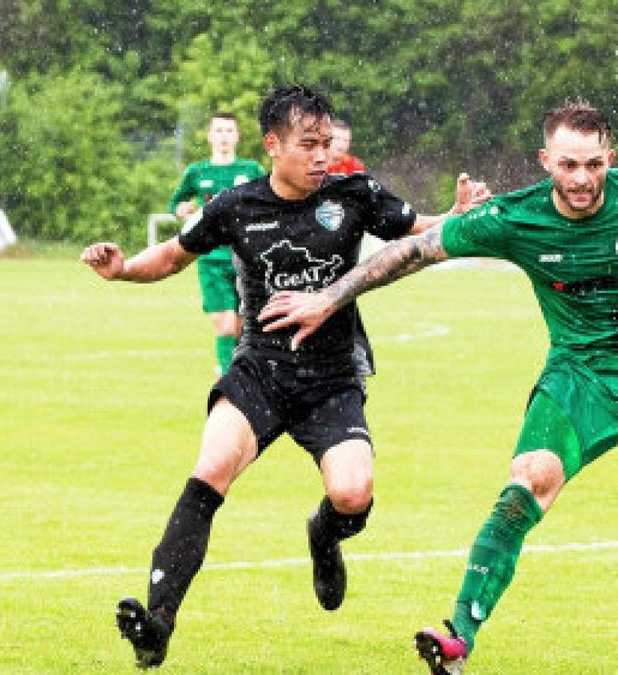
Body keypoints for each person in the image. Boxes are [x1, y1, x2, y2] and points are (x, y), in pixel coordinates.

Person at [80, 84, 488, 669]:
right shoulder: (234, 205)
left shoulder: (355, 193)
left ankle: (324, 535)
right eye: (308, 145)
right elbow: (172, 256)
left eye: (327, 144)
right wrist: (121, 270)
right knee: (212, 467)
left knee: (352, 494)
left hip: (331, 379)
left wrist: (453, 215)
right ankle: (157, 623)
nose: (322, 156)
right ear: (273, 145)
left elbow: (413, 229)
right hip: (259, 373)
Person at [259, 100, 617, 675]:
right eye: (569, 165)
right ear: (545, 160)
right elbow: (412, 251)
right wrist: (330, 297)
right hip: (580, 375)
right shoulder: (513, 218)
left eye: (595, 166)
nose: (582, 180)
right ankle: (459, 639)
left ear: (610, 158)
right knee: (528, 482)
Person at [167, 113, 266, 374]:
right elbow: (176, 203)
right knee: (225, 325)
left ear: (237, 136)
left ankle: (243, 374)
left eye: (229, 130)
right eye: (219, 131)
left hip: (246, 259)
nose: (224, 136)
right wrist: (181, 209)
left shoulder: (251, 170)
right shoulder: (198, 172)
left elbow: (270, 200)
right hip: (211, 260)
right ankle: (228, 377)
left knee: (244, 327)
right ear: (210, 136)